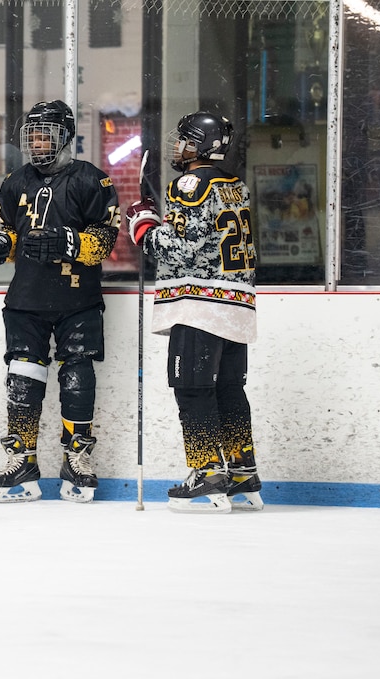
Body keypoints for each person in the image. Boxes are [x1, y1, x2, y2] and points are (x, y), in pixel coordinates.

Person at [0, 100, 121, 504]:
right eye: (33, 135)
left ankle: (76, 456)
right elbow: (9, 231)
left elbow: (106, 241)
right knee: (23, 378)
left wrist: (71, 242)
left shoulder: (92, 181)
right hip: (26, 299)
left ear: (65, 137)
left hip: (78, 299)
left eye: (46, 135)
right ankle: (22, 459)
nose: (38, 142)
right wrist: (1, 245)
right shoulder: (14, 182)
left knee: (77, 376)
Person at [124, 110, 263, 513]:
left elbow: (181, 248)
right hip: (236, 303)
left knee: (192, 388)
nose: (177, 146)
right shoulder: (235, 184)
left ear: (200, 145)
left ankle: (206, 475)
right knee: (229, 389)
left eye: (184, 139)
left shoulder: (188, 183)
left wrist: (144, 228)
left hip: (199, 304)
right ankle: (242, 473)